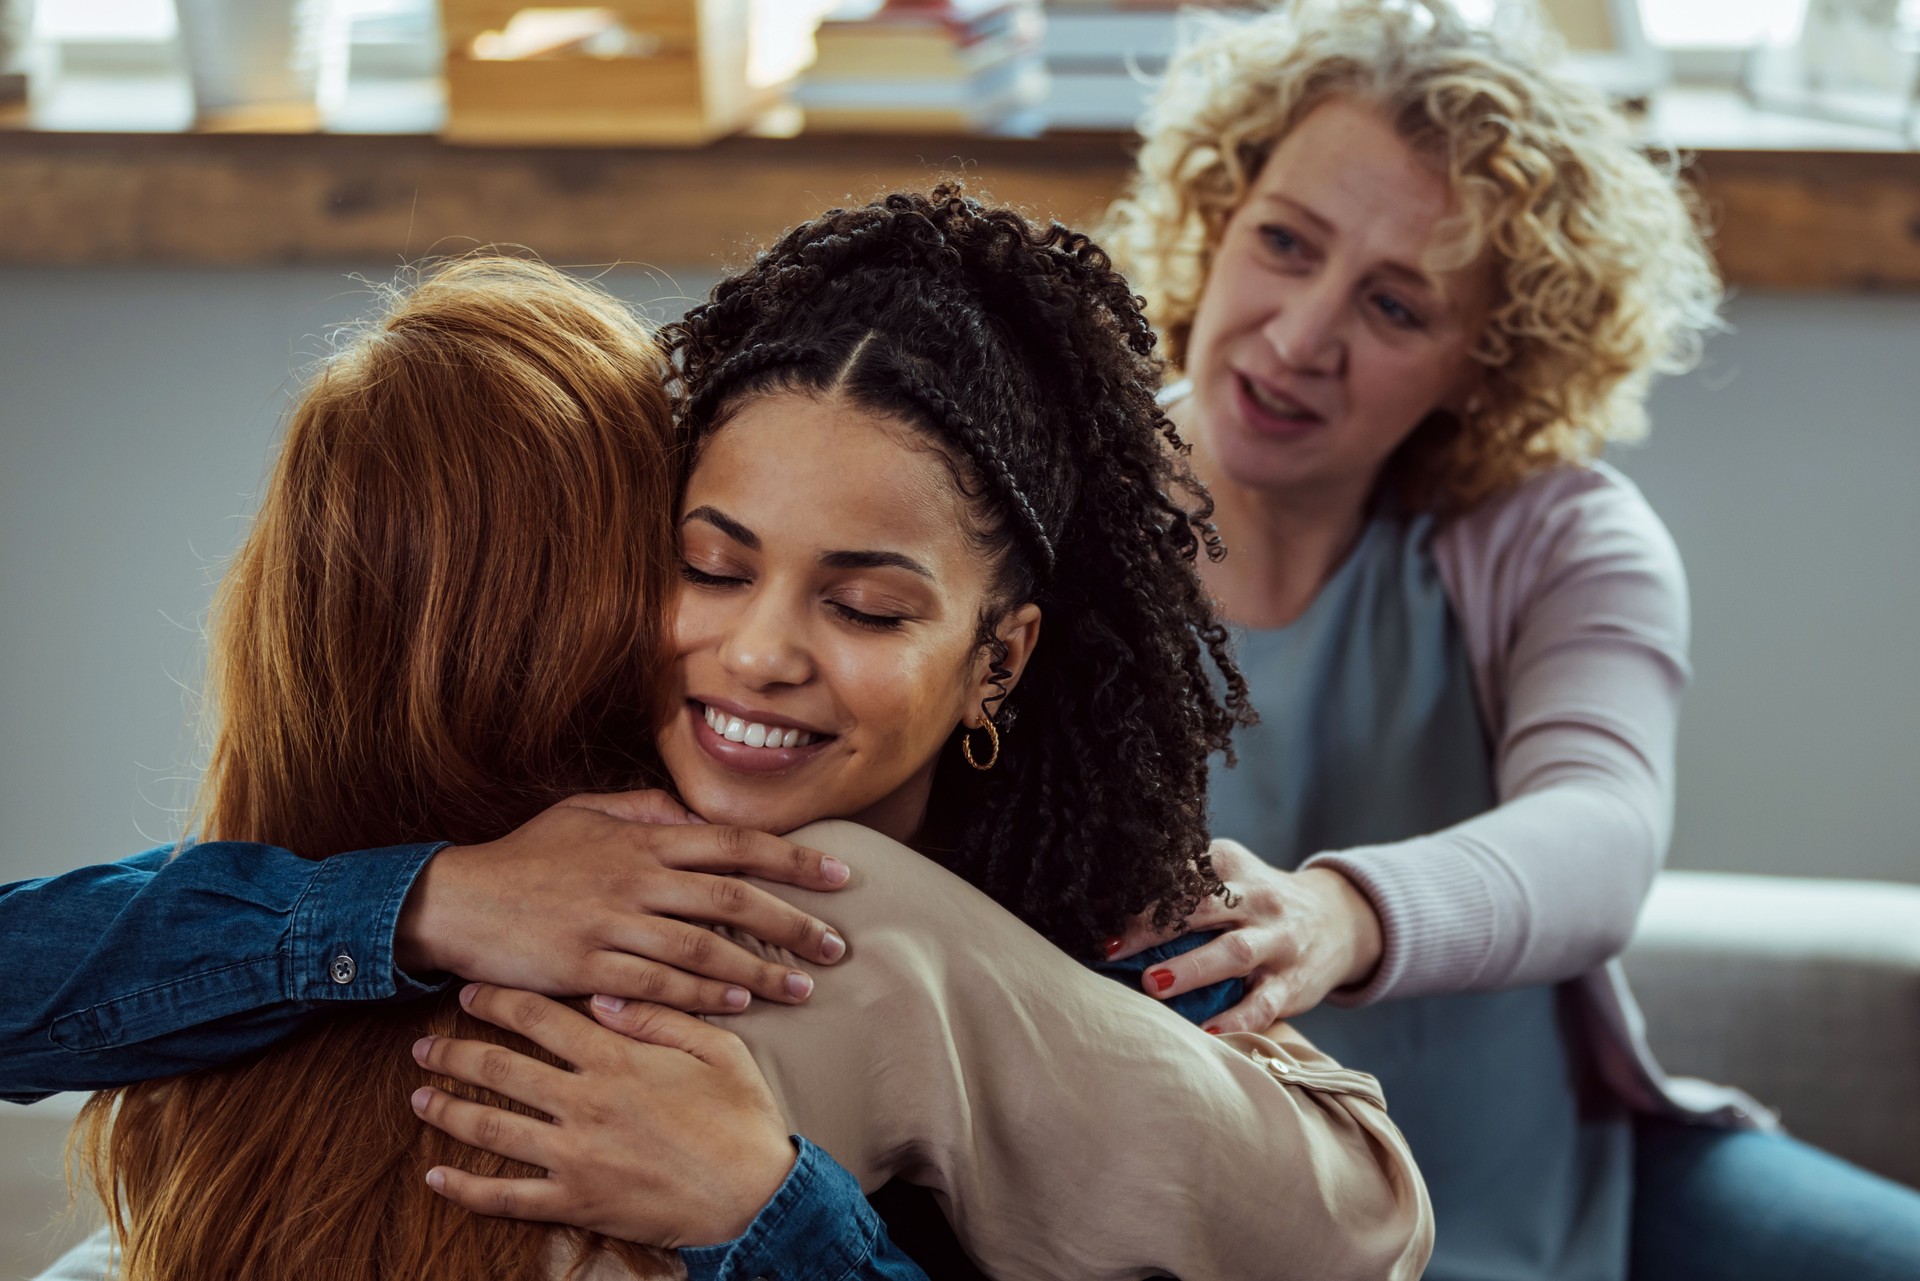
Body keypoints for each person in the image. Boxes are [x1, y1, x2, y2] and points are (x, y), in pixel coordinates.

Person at [23, 213, 1426, 1280]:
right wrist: (428, 899)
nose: (759, 651)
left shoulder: (1064, 927)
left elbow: (1368, 1218)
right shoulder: (593, 901)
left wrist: (767, 1210)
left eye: (867, 602)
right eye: (707, 565)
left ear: (1002, 654)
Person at [1087, 3, 1920, 1279]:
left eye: (1398, 307)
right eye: (1286, 243)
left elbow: (1602, 830)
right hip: (1198, 1228)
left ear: (1489, 359)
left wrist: (1333, 914)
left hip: (1555, 1197)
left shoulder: (1562, 540)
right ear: (1219, 214)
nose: (1303, 336)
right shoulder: (1051, 506)